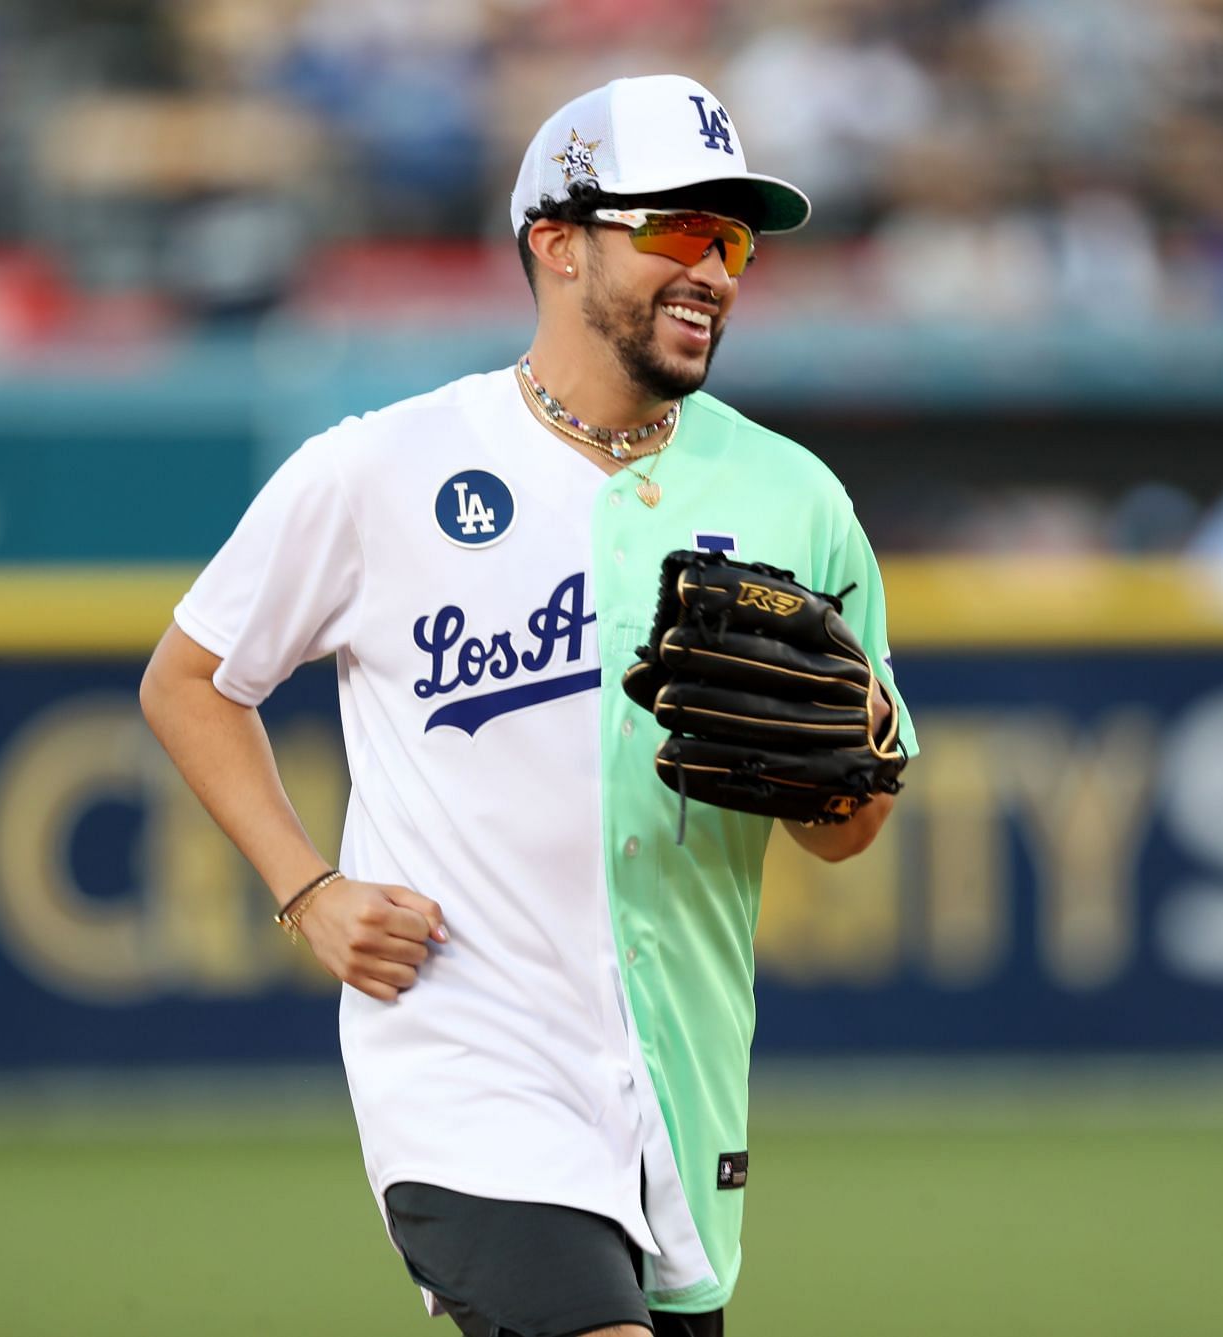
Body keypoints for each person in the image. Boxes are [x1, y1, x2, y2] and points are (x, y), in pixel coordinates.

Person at [140, 74, 918, 1337]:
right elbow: (190, 679)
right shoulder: (379, 468)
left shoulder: (798, 497)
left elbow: (845, 828)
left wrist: (837, 772)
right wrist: (307, 886)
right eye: (674, 228)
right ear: (555, 242)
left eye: (731, 239)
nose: (713, 269)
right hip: (465, 1055)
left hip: (682, 1067)